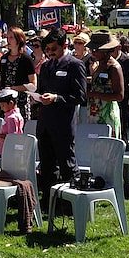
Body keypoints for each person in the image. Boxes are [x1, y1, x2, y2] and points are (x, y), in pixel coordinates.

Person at [35, 28, 88, 207]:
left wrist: (57, 98)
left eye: (53, 49)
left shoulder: (74, 65)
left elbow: (80, 97)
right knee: (47, 164)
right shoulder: (46, 66)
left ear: (64, 45)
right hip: (45, 122)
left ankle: (72, 203)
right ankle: (49, 202)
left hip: (63, 123)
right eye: (47, 49)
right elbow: (41, 89)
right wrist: (37, 97)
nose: (50, 53)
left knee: (67, 163)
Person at [86, 33, 124, 138]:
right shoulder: (99, 65)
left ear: (106, 51)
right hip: (94, 112)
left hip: (107, 114)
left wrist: (95, 94)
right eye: (92, 50)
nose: (93, 53)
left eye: (96, 50)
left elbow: (119, 96)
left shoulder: (114, 68)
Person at [0, 26, 36, 121]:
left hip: (20, 102)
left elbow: (33, 85)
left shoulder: (26, 59)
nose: (8, 40)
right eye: (7, 38)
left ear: (19, 40)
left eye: (11, 38)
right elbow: (2, 79)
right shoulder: (4, 58)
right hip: (4, 102)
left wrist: (13, 88)